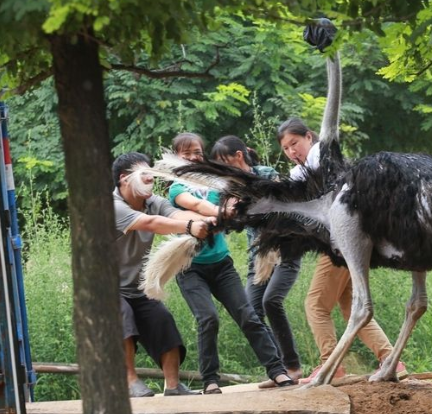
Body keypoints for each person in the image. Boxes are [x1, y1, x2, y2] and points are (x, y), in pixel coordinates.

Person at [277, 118, 407, 383]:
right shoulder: (309, 166)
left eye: (295, 143)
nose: (292, 152)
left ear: (309, 138)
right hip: (351, 241)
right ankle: (391, 358)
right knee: (350, 306)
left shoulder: (320, 156)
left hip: (341, 241)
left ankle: (331, 365)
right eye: (286, 149)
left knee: (315, 305)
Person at [168, 132, 295, 394]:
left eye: (197, 153)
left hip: (221, 265)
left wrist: (234, 206)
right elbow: (194, 205)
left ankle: (278, 371)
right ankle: (211, 380)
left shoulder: (218, 184)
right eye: (186, 153)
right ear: (175, 157)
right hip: (189, 267)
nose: (193, 157)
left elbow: (234, 201)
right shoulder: (176, 189)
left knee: (248, 316)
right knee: (208, 319)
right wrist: (221, 212)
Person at [112, 151, 212, 397]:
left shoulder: (154, 201)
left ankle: (173, 387)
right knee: (122, 317)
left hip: (137, 288)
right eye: (144, 175)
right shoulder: (112, 206)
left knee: (163, 320)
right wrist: (191, 227)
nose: (150, 179)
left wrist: (213, 219)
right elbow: (151, 223)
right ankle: (129, 381)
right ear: (124, 179)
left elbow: (176, 215)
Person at [210, 135, 304, 386]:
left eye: (224, 162)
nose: (222, 169)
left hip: (285, 249)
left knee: (271, 300)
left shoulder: (265, 173)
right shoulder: (228, 188)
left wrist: (246, 202)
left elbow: (279, 206)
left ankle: (292, 366)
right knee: (250, 311)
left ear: (238, 156)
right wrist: (227, 214)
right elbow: (231, 226)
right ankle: (279, 369)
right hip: (258, 258)